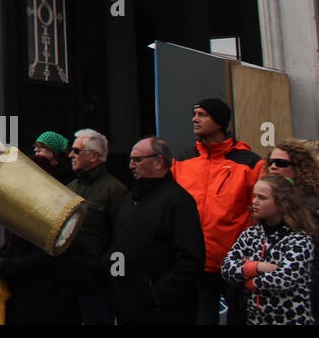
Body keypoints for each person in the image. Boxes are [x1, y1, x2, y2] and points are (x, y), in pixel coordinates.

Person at [171, 98, 264, 324]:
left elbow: (260, 213)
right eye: (194, 114)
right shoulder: (182, 160)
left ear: (219, 121)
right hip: (195, 263)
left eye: (202, 114)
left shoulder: (250, 163)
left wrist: (249, 254)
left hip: (236, 263)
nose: (195, 119)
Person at [108, 136, 204, 325]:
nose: (131, 166)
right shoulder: (130, 200)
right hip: (129, 308)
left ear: (159, 161)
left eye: (137, 160)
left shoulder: (179, 201)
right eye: (130, 160)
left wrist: (155, 296)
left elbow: (189, 259)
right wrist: (116, 287)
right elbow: (118, 246)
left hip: (164, 312)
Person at [0, 143, 77, 324]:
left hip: (42, 300)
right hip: (20, 297)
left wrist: (5, 266)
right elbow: (13, 245)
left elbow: (46, 258)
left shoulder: (52, 209)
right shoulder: (23, 208)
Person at [220, 175, 316, 325]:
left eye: (262, 198)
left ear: (281, 204)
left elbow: (284, 279)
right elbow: (227, 267)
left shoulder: (299, 240)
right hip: (256, 319)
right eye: (254, 196)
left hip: (290, 319)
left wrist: (248, 280)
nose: (254, 202)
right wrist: (258, 267)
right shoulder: (251, 234)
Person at [66, 128, 128, 324]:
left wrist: (106, 272)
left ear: (94, 156)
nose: (71, 155)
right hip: (69, 281)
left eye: (77, 151)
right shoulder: (70, 188)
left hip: (98, 285)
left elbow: (122, 240)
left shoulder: (115, 190)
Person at [266, 139, 319, 316]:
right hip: (270, 289)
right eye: (271, 162)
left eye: (281, 163)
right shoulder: (264, 203)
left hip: (305, 291)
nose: (273, 167)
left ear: (299, 168)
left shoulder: (311, 206)